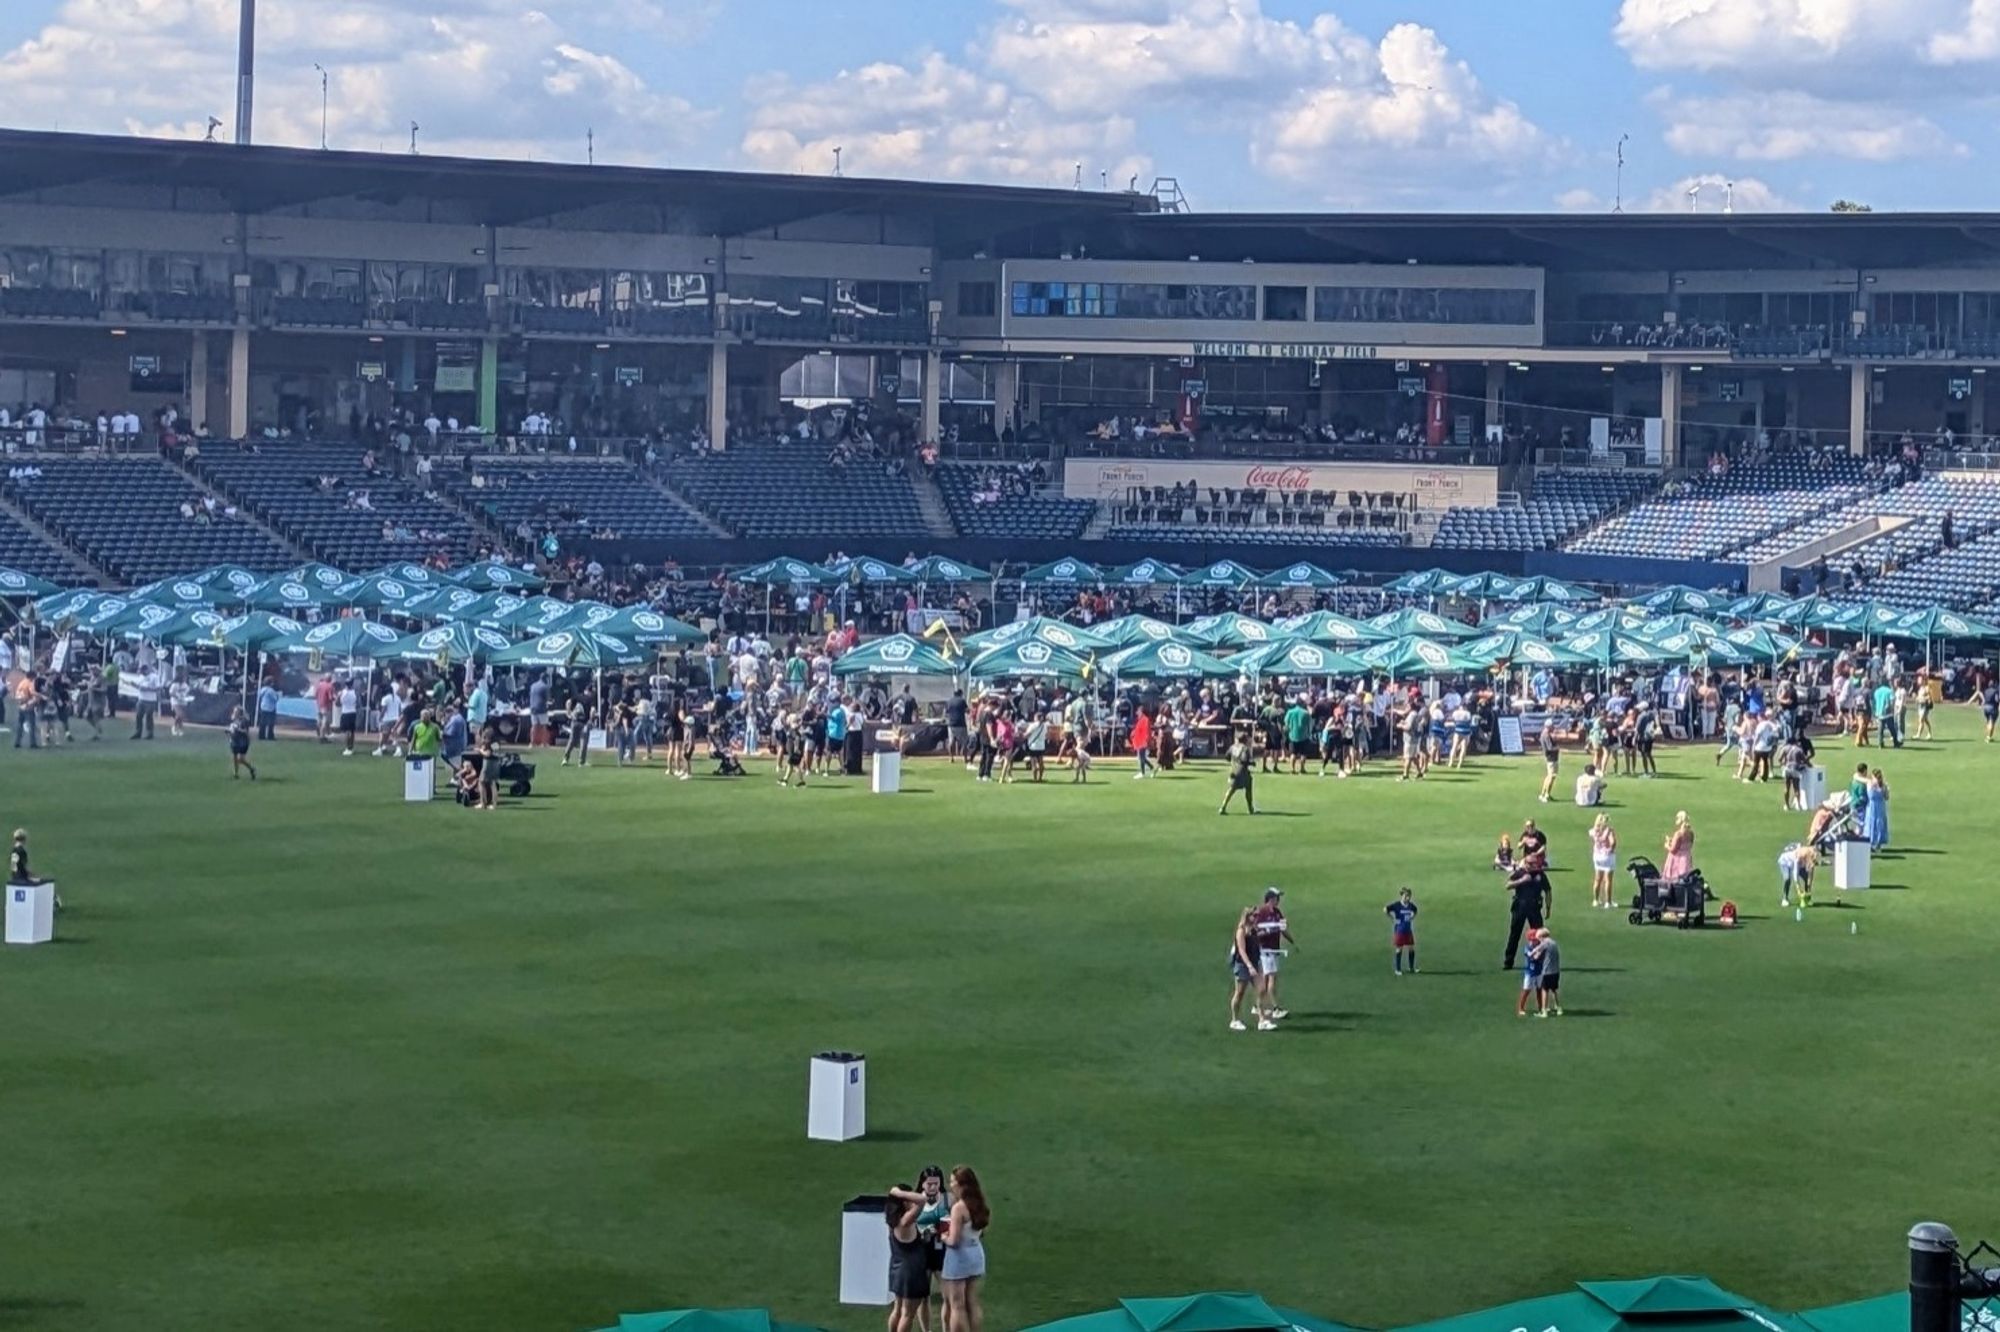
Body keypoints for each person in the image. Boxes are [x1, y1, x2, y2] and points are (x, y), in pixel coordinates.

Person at [939, 1166, 988, 1332]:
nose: (950, 1184)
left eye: (953, 1181)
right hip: (976, 1254)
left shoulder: (958, 1208)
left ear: (962, 1185)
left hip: (959, 1258)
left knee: (957, 1305)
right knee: (972, 1302)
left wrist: (942, 1235)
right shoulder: (979, 1204)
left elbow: (953, 1240)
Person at [883, 1189, 931, 1332]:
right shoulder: (905, 1221)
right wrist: (899, 1192)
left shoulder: (892, 1221)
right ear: (904, 1203)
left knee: (898, 1310)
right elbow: (922, 1200)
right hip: (912, 1272)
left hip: (897, 1269)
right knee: (908, 1314)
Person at [1249, 886, 1291, 1024]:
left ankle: (1257, 1006)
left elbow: (1282, 928)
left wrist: (1290, 940)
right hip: (1266, 950)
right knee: (1271, 978)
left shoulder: (1277, 912)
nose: (1278, 900)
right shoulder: (1261, 912)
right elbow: (1254, 932)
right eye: (1276, 897)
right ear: (1270, 898)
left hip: (1274, 949)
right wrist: (1268, 930)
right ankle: (1275, 1008)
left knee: (1267, 979)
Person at [1502, 857, 1549, 970]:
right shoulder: (1520, 873)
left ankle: (1540, 959)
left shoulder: (1540, 875)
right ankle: (1508, 961)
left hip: (1534, 907)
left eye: (1535, 863)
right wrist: (1522, 880)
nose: (1534, 865)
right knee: (1515, 934)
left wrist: (1548, 907)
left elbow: (1548, 890)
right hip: (1520, 906)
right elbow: (1508, 885)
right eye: (1531, 863)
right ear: (1526, 864)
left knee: (1539, 934)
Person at [1227, 906, 1262, 1031]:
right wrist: (1249, 966)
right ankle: (1235, 1020)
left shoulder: (1254, 930)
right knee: (1240, 993)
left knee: (1260, 990)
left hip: (1254, 963)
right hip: (1243, 965)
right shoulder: (1241, 931)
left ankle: (1262, 1020)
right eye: (1255, 916)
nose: (1257, 918)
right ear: (1248, 917)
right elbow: (1241, 950)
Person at [10, 828, 57, 912]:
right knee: (43, 883)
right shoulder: (22, 851)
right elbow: (24, 867)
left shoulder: (14, 850)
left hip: (14, 876)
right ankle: (51, 904)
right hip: (22, 878)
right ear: (24, 839)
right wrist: (32, 874)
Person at [1218, 728, 1255, 815]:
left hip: (1233, 771)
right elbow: (1244, 760)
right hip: (1242, 772)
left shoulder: (1232, 747)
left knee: (1231, 789)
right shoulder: (1245, 749)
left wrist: (1233, 761)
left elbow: (1226, 756)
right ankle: (1250, 808)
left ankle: (1223, 806)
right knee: (1248, 788)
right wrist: (1252, 763)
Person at [1529, 928, 1562, 1017]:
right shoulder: (1553, 943)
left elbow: (1536, 950)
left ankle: (1544, 1011)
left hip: (1547, 971)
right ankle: (1558, 1008)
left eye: (1538, 938)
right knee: (1554, 989)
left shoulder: (1545, 943)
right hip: (1556, 971)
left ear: (1542, 937)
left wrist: (1530, 954)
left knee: (1544, 990)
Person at [1385, 886, 1418, 975]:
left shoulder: (1410, 905)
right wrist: (1392, 918)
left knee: (1411, 948)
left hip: (1408, 931)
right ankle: (1398, 969)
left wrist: (1412, 917)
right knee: (1399, 949)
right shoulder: (1397, 905)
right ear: (1402, 895)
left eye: (1409, 896)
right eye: (1406, 896)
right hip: (1399, 931)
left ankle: (1411, 968)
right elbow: (1385, 909)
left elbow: (1415, 910)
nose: (1408, 898)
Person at [1588, 814, 1618, 909]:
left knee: (1597, 879)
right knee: (1608, 880)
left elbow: (1591, 835)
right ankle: (1608, 902)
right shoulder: (1608, 831)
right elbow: (1613, 842)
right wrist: (1611, 850)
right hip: (1607, 857)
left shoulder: (1595, 831)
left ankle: (1596, 900)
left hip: (1597, 856)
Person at [1516, 926, 1546, 1017]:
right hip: (1530, 973)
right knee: (1526, 990)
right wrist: (1538, 953)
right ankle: (1521, 1008)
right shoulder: (1527, 948)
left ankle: (1541, 1007)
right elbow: (1533, 957)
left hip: (1539, 971)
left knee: (1539, 990)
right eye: (1532, 940)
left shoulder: (1540, 946)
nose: (1534, 942)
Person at [1779, 842, 1817, 908]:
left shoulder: (1810, 853)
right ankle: (1785, 899)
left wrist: (1809, 884)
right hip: (1785, 862)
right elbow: (1795, 875)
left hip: (1799, 863)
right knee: (1787, 879)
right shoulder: (1798, 857)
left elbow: (1811, 874)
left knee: (1806, 877)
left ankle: (1807, 898)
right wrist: (1799, 890)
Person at [1662, 810, 1695, 882]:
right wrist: (1672, 840)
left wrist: (1667, 845)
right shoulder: (1691, 833)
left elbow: (1673, 850)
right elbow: (1687, 845)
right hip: (1686, 859)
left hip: (1677, 861)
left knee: (1674, 882)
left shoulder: (1678, 834)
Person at [227, 703, 257, 780]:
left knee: (240, 759)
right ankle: (235, 773)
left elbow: (245, 732)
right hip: (234, 740)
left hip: (243, 741)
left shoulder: (244, 721)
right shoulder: (233, 719)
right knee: (234, 757)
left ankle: (252, 769)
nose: (234, 713)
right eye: (234, 711)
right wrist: (229, 731)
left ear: (239, 712)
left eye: (235, 711)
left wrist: (238, 730)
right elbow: (232, 729)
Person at [560, 696, 592, 767]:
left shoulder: (577, 697)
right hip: (584, 723)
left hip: (574, 722)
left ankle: (565, 759)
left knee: (571, 741)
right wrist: (590, 720)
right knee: (583, 742)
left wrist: (568, 713)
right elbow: (592, 710)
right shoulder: (590, 699)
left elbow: (568, 702)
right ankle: (581, 762)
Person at [1863, 767, 1890, 850]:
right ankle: (1876, 844)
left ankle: (1874, 843)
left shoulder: (1872, 784)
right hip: (1879, 806)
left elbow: (1885, 797)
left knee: (1874, 823)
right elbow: (1886, 797)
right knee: (1877, 823)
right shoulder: (1880, 785)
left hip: (1873, 806)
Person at [1537, 721, 1560, 803]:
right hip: (1551, 758)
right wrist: (1557, 747)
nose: (1553, 728)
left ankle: (1544, 793)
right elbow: (1550, 747)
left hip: (1550, 758)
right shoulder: (1546, 735)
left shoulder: (1544, 734)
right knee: (1551, 777)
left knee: (1549, 776)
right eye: (1552, 726)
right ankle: (1546, 794)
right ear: (1549, 726)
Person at [337, 678, 360, 756]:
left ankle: (347, 748)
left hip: (345, 712)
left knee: (347, 732)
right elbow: (358, 704)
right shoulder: (355, 693)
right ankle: (351, 747)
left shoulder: (342, 693)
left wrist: (338, 697)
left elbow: (337, 704)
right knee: (352, 731)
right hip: (353, 712)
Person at [256, 677, 280, 741]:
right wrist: (277, 696)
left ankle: (261, 735)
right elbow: (275, 699)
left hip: (263, 707)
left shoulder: (262, 689)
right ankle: (270, 736)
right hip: (270, 708)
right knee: (271, 723)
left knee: (262, 722)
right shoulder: (271, 691)